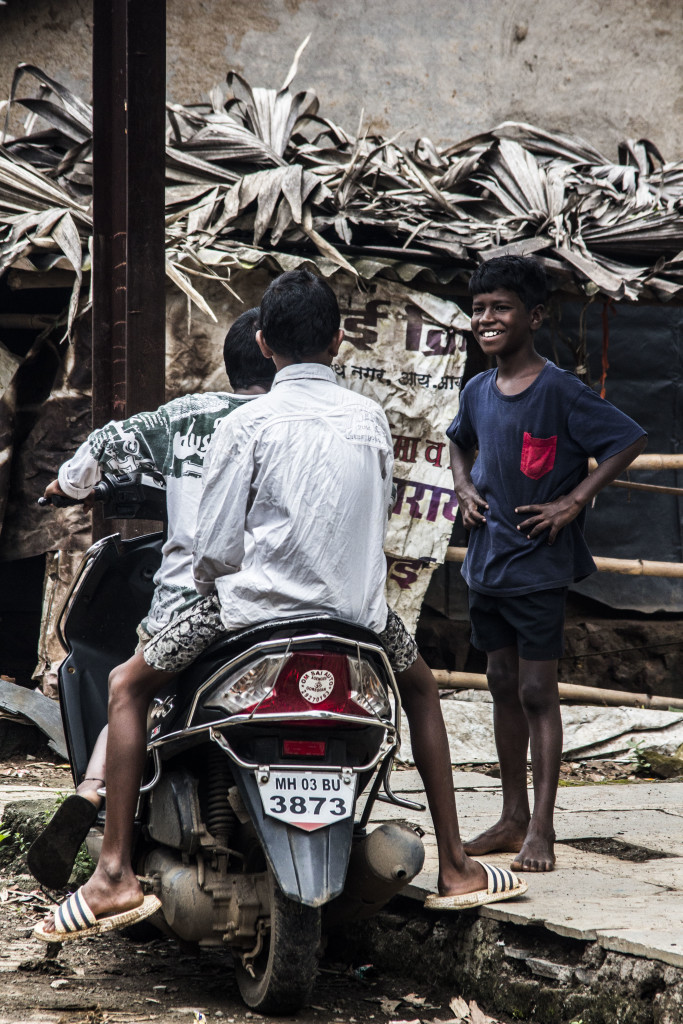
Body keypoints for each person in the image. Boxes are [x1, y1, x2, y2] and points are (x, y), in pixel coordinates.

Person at [37, 268, 527, 941]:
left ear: (263, 344)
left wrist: (232, 579)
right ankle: (455, 866)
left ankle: (114, 875)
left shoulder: (250, 423)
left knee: (126, 686)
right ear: (337, 341)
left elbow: (212, 550)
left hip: (247, 615)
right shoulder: (370, 417)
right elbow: (371, 520)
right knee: (420, 691)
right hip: (359, 619)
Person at [29, 308, 275, 892]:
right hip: (297, 607)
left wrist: (65, 485)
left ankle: (96, 793)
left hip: (195, 607)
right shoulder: (314, 419)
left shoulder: (188, 416)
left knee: (130, 683)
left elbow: (105, 446)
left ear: (234, 360)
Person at [448, 255, 647, 873]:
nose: (487, 319)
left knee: (537, 691)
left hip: (538, 568)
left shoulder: (560, 389)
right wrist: (463, 487)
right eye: (479, 309)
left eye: (500, 308)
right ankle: (509, 818)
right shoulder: (478, 389)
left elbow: (627, 439)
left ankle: (542, 828)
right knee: (501, 686)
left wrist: (574, 500)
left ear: (533, 317)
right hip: (487, 567)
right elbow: (458, 440)